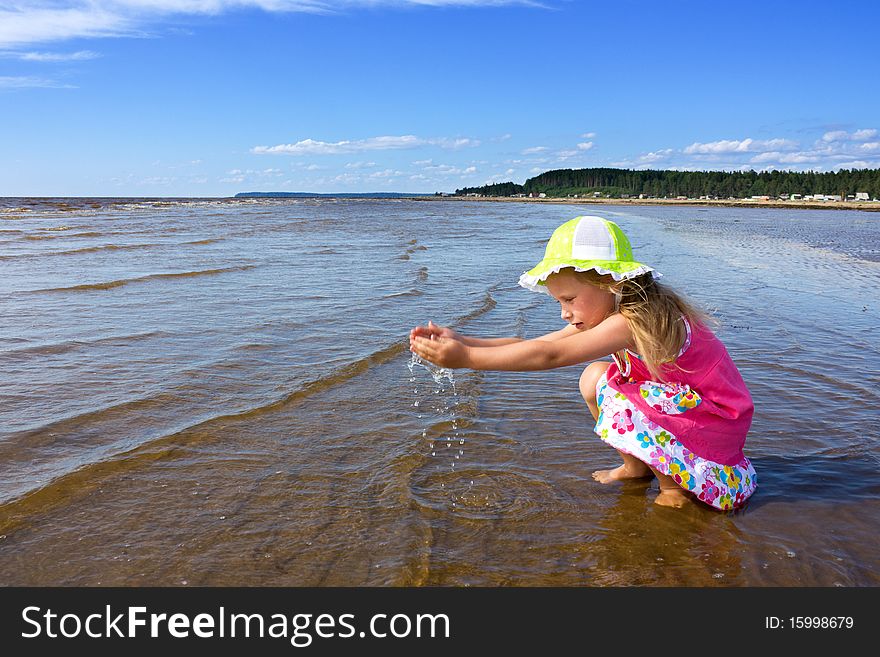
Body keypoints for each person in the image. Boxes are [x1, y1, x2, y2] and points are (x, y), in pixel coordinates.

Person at [410, 215, 756, 510]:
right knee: (594, 377)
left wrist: (468, 359)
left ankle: (673, 490)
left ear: (611, 283)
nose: (565, 312)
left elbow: (551, 356)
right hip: (687, 414)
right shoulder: (618, 310)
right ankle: (637, 468)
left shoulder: (635, 320)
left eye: (570, 299)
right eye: (559, 301)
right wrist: (464, 340)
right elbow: (536, 344)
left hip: (714, 422)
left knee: (625, 395)